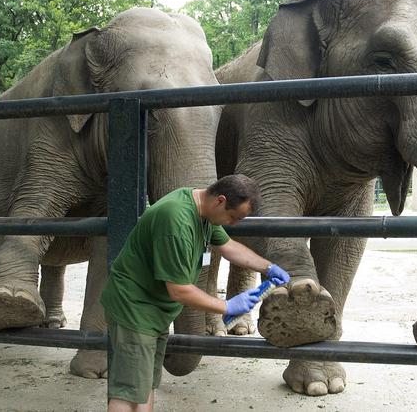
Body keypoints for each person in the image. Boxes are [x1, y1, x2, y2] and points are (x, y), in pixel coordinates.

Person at [100, 174, 290, 412]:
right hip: (134, 308)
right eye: (233, 217)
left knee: (145, 385)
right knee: (127, 392)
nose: (232, 224)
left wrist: (268, 267)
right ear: (220, 201)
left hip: (154, 310)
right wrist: (227, 307)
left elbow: (228, 246)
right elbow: (179, 290)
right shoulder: (176, 222)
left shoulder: (203, 210)